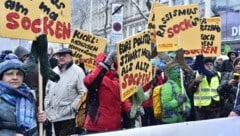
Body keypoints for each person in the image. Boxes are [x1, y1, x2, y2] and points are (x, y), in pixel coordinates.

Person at [82, 51, 132, 134]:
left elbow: (123, 99)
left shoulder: (118, 80)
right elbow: (88, 82)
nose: (111, 64)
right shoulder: (96, 77)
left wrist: (131, 110)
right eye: (109, 61)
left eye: (112, 62)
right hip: (96, 127)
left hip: (114, 126)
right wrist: (105, 66)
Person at [0, 55, 47, 136]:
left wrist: (43, 120)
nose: (15, 77)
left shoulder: (29, 95)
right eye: (9, 74)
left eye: (19, 74)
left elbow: (36, 127)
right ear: (1, 77)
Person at [44, 48, 87, 136]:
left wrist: (72, 107)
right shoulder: (54, 71)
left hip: (69, 117)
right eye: (59, 56)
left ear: (71, 57)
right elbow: (47, 91)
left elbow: (83, 92)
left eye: (64, 55)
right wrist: (47, 106)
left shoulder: (78, 72)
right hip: (53, 116)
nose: (61, 58)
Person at [188, 55, 221, 120]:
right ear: (203, 65)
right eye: (207, 64)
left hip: (214, 106)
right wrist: (195, 82)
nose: (209, 66)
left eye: (210, 64)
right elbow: (190, 90)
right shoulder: (196, 74)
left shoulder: (218, 74)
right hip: (201, 107)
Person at [141, 58, 167, 126]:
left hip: (155, 104)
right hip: (145, 104)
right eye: (151, 66)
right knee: (145, 124)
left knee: (155, 123)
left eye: (154, 66)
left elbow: (163, 86)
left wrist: (157, 84)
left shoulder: (159, 75)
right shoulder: (143, 76)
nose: (153, 67)